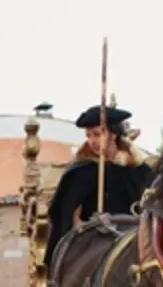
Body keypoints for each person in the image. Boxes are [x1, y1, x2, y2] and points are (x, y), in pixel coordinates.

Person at [43, 103, 154, 267]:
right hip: (92, 244)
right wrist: (81, 228)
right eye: (88, 136)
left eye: (97, 134)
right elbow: (67, 216)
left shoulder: (138, 171)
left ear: (113, 135)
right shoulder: (81, 172)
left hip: (132, 241)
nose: (92, 141)